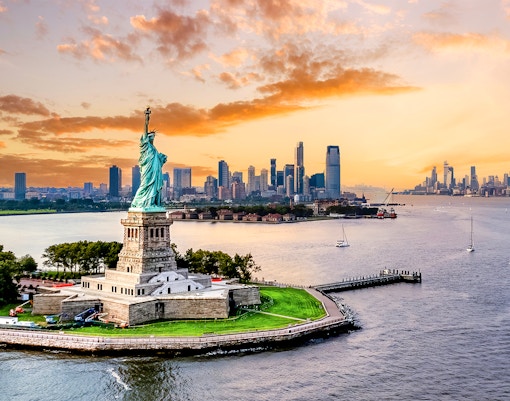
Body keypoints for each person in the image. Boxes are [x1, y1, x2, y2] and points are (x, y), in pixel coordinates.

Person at [130, 107, 167, 210]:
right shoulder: (145, 146)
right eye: (151, 137)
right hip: (147, 170)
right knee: (145, 185)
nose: (152, 139)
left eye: (153, 137)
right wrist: (146, 117)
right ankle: (138, 202)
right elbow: (145, 129)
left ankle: (152, 203)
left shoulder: (154, 149)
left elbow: (158, 161)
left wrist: (162, 159)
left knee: (154, 187)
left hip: (155, 172)